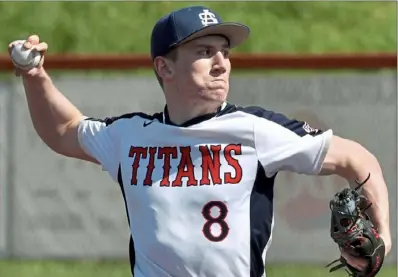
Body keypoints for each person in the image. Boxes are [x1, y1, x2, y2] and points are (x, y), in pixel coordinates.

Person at [8, 5, 391, 277]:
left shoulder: (255, 130)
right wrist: (34, 74)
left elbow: (356, 159)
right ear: (165, 66)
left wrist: (384, 238)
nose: (222, 62)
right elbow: (63, 131)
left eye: (224, 51)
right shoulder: (129, 136)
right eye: (204, 52)